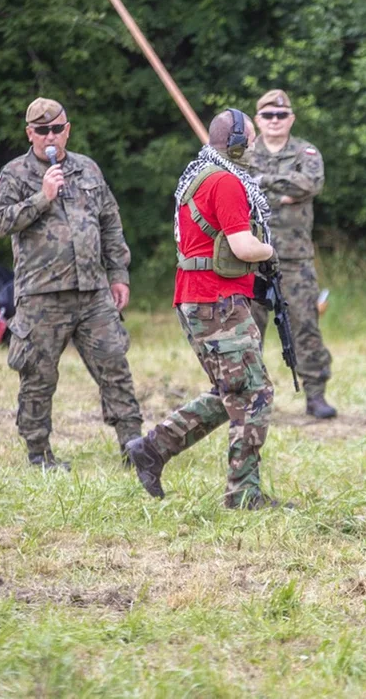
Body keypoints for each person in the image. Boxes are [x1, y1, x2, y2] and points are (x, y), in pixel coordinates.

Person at [125, 109, 285, 510]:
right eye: (249, 139)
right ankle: (242, 495)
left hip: (201, 298)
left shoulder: (199, 174)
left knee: (233, 390)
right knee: (254, 393)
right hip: (217, 301)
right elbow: (245, 247)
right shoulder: (226, 182)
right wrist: (271, 250)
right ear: (235, 144)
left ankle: (152, 449)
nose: (253, 146)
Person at [0, 97, 142, 471]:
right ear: (30, 134)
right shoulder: (15, 173)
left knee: (114, 364)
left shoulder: (87, 169)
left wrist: (118, 274)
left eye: (57, 129)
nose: (50, 136)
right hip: (42, 295)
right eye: (42, 131)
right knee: (38, 375)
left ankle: (134, 445)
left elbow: (110, 223)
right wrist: (42, 197)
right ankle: (39, 453)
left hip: (92, 292)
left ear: (67, 129)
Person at [245, 89, 336, 419]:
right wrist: (285, 192)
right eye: (268, 116)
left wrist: (265, 182)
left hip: (294, 259)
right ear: (258, 120)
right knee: (248, 331)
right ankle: (249, 398)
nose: (274, 121)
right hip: (250, 257)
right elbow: (236, 189)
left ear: (291, 119)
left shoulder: (305, 151)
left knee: (305, 326)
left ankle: (315, 395)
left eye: (281, 115)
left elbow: (310, 184)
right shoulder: (244, 153)